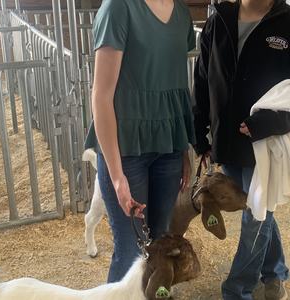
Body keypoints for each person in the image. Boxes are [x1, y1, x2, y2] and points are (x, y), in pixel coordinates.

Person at [193, 0, 290, 299]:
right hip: (226, 141)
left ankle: (237, 290)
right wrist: (200, 134)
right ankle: (275, 272)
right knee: (258, 209)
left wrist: (269, 123)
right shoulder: (218, 22)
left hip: (267, 144)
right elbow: (202, 78)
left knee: (256, 216)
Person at [85, 0, 196, 283]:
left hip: (169, 147)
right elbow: (101, 95)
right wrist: (116, 174)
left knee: (159, 242)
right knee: (130, 248)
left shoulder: (182, 13)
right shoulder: (118, 8)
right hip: (127, 148)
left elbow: (173, 83)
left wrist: (182, 147)